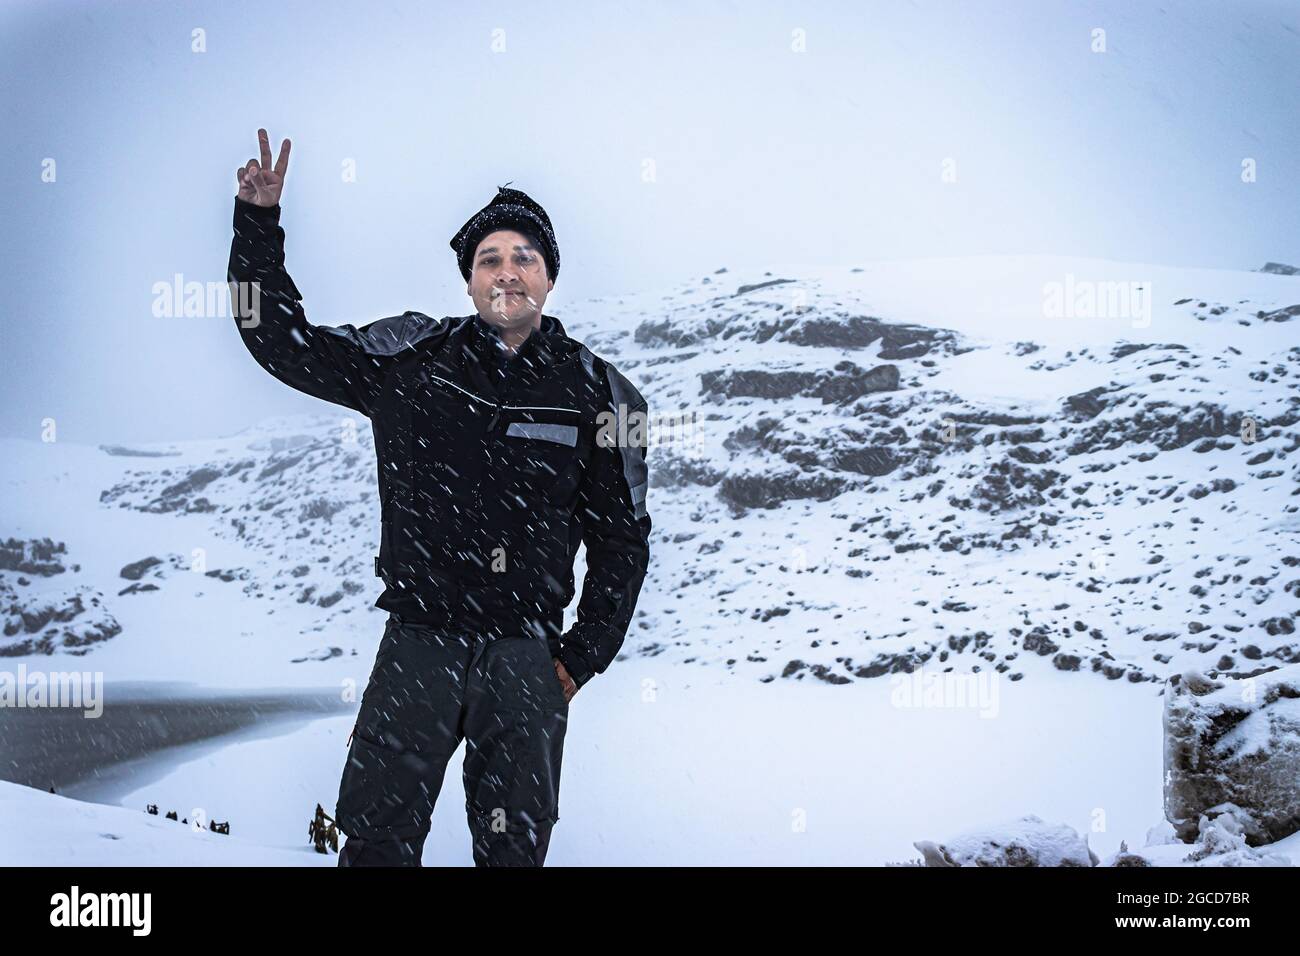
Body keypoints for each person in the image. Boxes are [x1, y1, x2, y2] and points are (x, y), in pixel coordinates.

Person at [227, 129, 652, 866]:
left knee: (513, 851)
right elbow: (277, 340)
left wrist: (581, 658)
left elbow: (623, 540)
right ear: (468, 279)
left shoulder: (602, 394)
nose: (507, 271)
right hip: (417, 644)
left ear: (550, 278)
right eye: (490, 258)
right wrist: (256, 225)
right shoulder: (410, 359)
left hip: (526, 656)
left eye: (525, 256)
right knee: (378, 842)